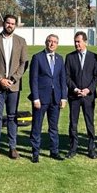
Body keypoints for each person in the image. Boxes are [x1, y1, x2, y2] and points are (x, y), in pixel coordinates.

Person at [0, 14, 28, 160]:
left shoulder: (21, 41)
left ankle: (12, 148)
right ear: (3, 23)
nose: (10, 25)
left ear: (15, 25)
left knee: (12, 117)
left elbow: (23, 63)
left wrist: (13, 79)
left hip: (14, 87)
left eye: (12, 23)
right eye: (8, 23)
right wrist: (0, 79)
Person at [28, 34, 67, 163]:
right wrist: (35, 98)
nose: (52, 44)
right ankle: (35, 152)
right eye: (50, 41)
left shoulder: (60, 59)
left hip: (55, 99)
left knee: (54, 127)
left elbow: (62, 80)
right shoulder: (37, 57)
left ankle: (54, 151)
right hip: (41, 99)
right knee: (37, 126)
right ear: (46, 42)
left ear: (57, 44)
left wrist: (64, 97)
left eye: (54, 42)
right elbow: (33, 80)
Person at [64, 31, 97, 159]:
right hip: (74, 96)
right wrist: (75, 89)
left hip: (88, 96)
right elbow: (66, 76)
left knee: (89, 123)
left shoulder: (94, 57)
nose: (76, 44)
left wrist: (88, 90)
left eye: (78, 41)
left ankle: (91, 149)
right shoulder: (70, 57)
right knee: (73, 123)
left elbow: (96, 77)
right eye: (75, 41)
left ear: (85, 42)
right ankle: (73, 148)